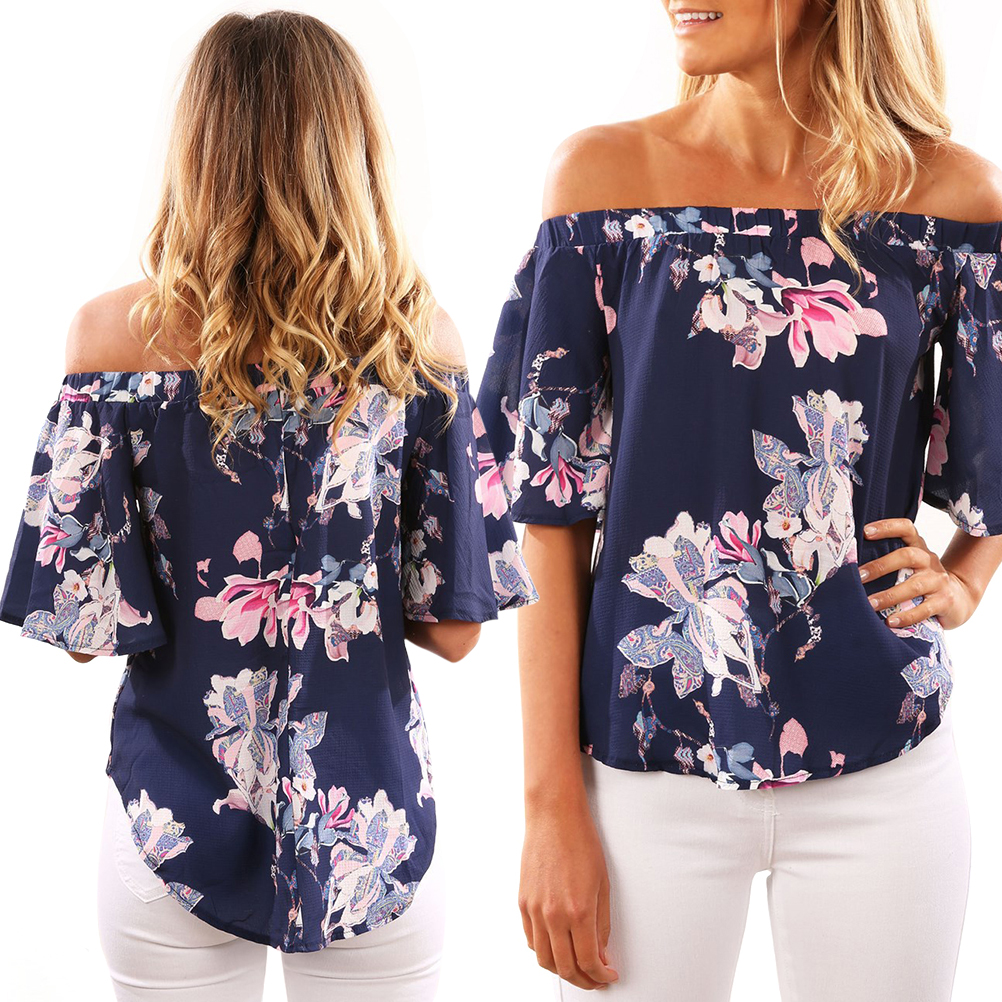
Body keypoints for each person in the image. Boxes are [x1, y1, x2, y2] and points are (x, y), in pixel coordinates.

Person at [0, 11, 535, 1002]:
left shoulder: (111, 341)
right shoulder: (420, 347)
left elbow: (83, 632)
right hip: (369, 829)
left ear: (197, 146)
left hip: (172, 823)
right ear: (351, 146)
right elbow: (456, 632)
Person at [475, 1, 1002, 999]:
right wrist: (549, 809)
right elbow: (547, 515)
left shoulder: (949, 199)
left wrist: (969, 577)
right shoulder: (601, 184)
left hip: (885, 764)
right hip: (645, 774)